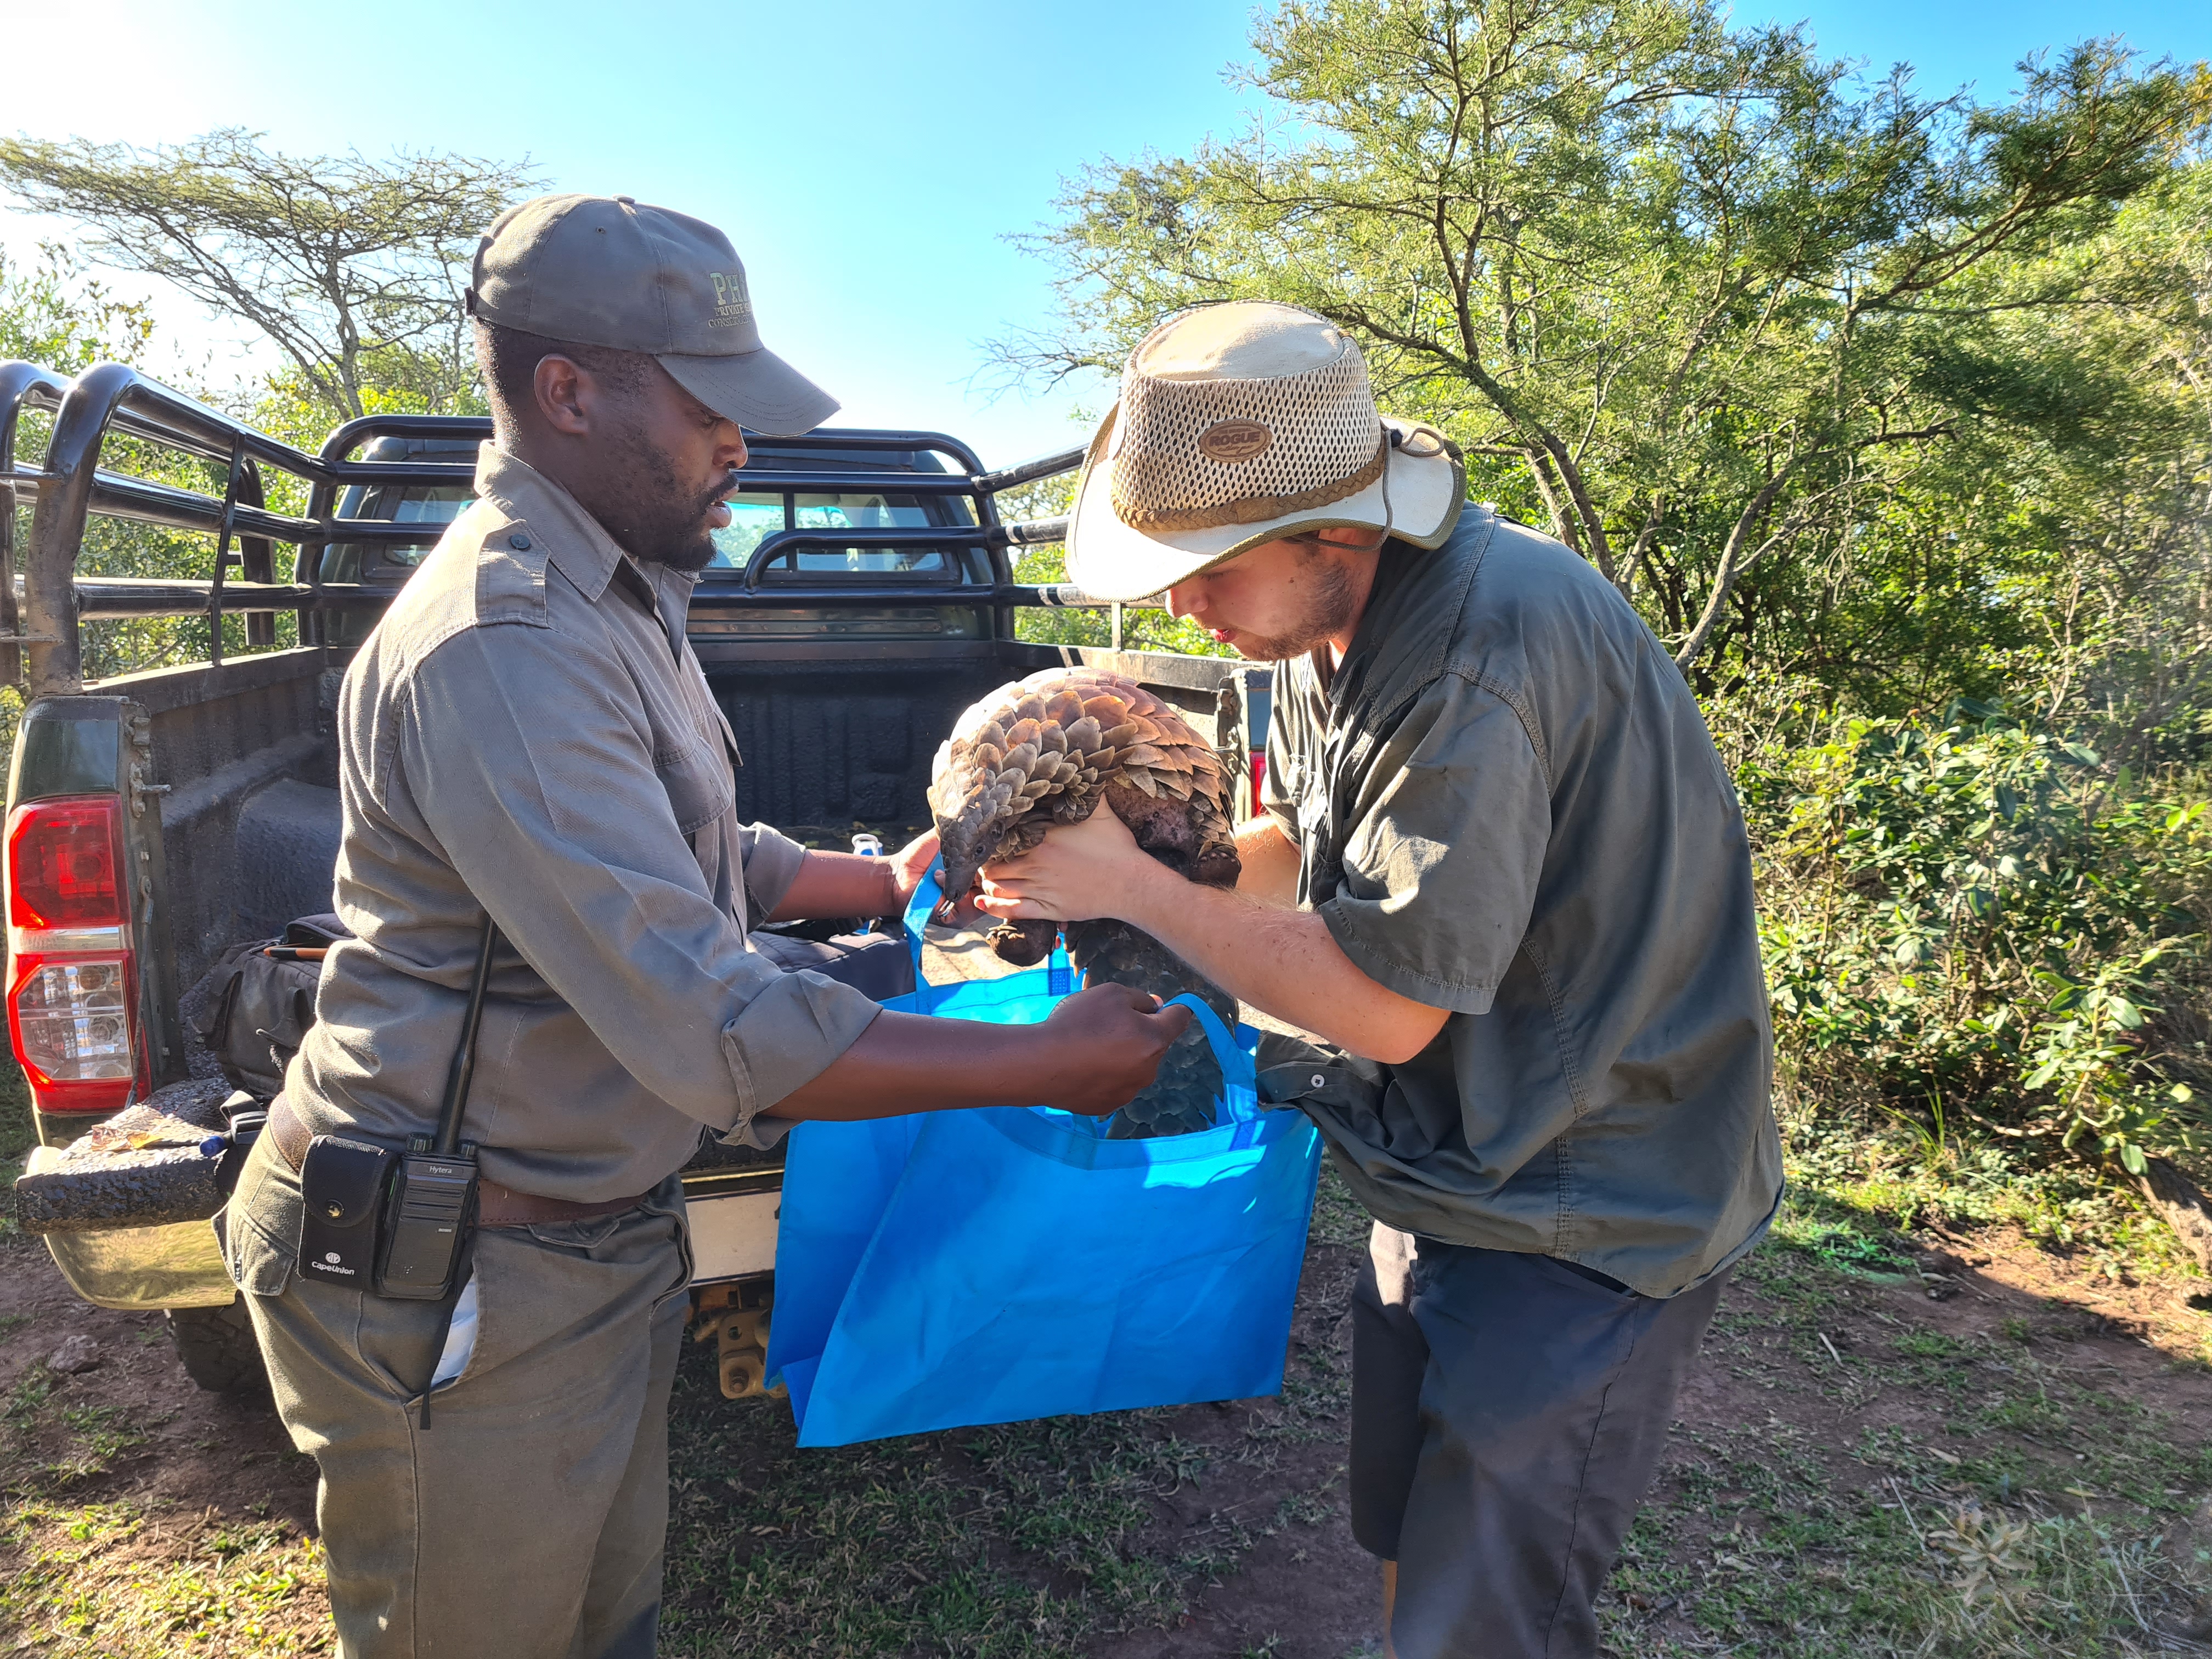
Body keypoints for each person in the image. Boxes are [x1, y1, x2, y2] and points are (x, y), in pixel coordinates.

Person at [216, 193, 1191, 1659]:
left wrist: (880, 880)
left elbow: (689, 850)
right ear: (568, 391)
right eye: (709, 404)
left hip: (577, 1240)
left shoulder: (620, 591)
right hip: (454, 1269)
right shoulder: (508, 643)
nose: (743, 441)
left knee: (609, 1629)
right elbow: (717, 1029)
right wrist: (1043, 1059)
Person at [970, 301, 1783, 1658]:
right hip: (1458, 1164)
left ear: (1338, 532)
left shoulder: (1479, 650)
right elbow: (1303, 845)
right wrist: (1128, 845)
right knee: (1413, 1535)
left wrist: (1134, 891)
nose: (1183, 604)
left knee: (1488, 1615)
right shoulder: (1310, 628)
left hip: (1587, 1197)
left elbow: (1387, 1005)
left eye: (1210, 570)